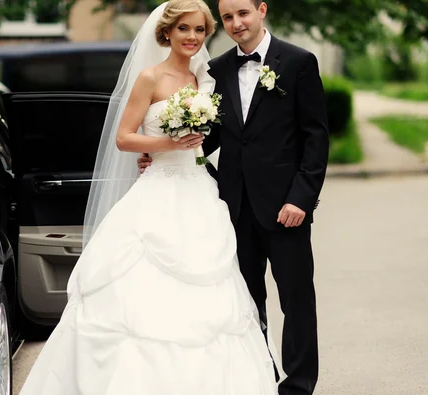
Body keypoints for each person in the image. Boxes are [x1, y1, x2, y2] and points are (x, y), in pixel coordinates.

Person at [19, 1, 278, 394]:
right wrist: (164, 142)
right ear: (166, 33)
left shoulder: (203, 80)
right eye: (183, 29)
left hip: (198, 190)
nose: (191, 37)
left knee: (212, 288)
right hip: (158, 186)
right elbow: (124, 137)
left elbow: (220, 138)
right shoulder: (149, 77)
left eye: (198, 30)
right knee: (136, 293)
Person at [138, 1, 330, 394]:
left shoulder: (298, 62)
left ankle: (298, 386)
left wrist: (301, 198)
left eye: (243, 13)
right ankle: (259, 377)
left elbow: (316, 136)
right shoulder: (217, 70)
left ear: (261, 10)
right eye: (227, 18)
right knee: (244, 302)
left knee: (296, 301)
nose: (236, 23)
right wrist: (161, 150)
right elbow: (217, 133)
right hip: (233, 206)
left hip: (285, 207)